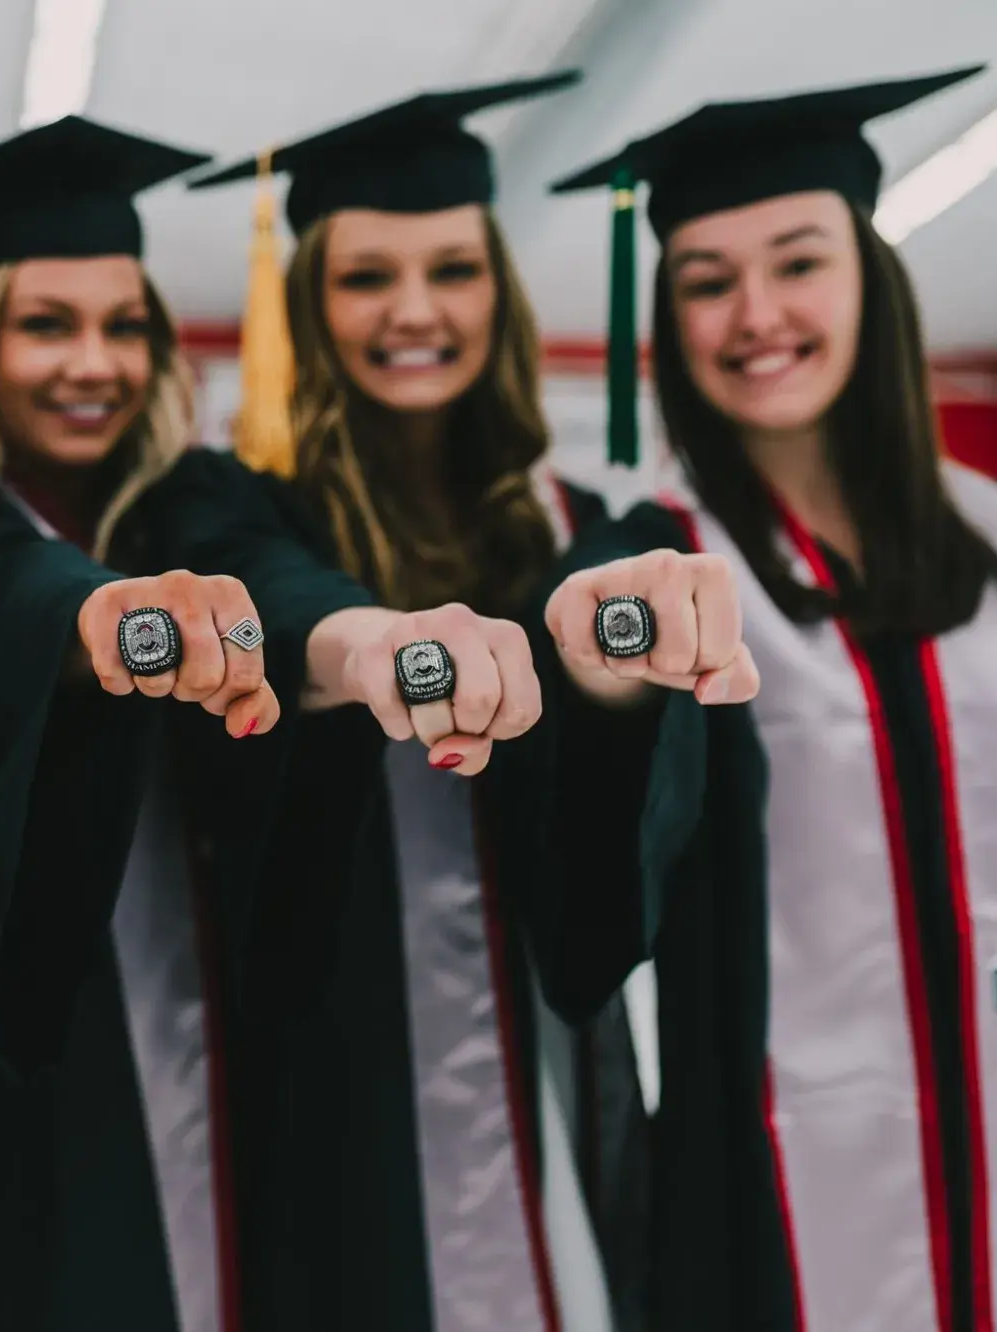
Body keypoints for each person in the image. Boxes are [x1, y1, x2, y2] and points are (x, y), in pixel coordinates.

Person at [0, 114, 548, 1332]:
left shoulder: (189, 521)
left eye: (122, 326)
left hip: (225, 1077)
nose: (89, 363)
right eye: (44, 326)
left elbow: (278, 602)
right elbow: (9, 603)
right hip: (15, 1105)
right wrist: (108, 620)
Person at [540, 64, 997, 1331]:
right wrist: (597, 669)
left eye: (795, 261)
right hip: (767, 1204)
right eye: (705, 282)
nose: (753, 313)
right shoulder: (653, 562)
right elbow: (589, 856)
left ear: (869, 281)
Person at [186, 74, 662, 1331]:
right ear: (304, 302)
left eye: (450, 268)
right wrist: (378, 647)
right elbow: (268, 601)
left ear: (495, 291)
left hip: (550, 1066)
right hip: (316, 1078)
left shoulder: (573, 533)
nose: (412, 311)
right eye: (362, 277)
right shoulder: (233, 506)